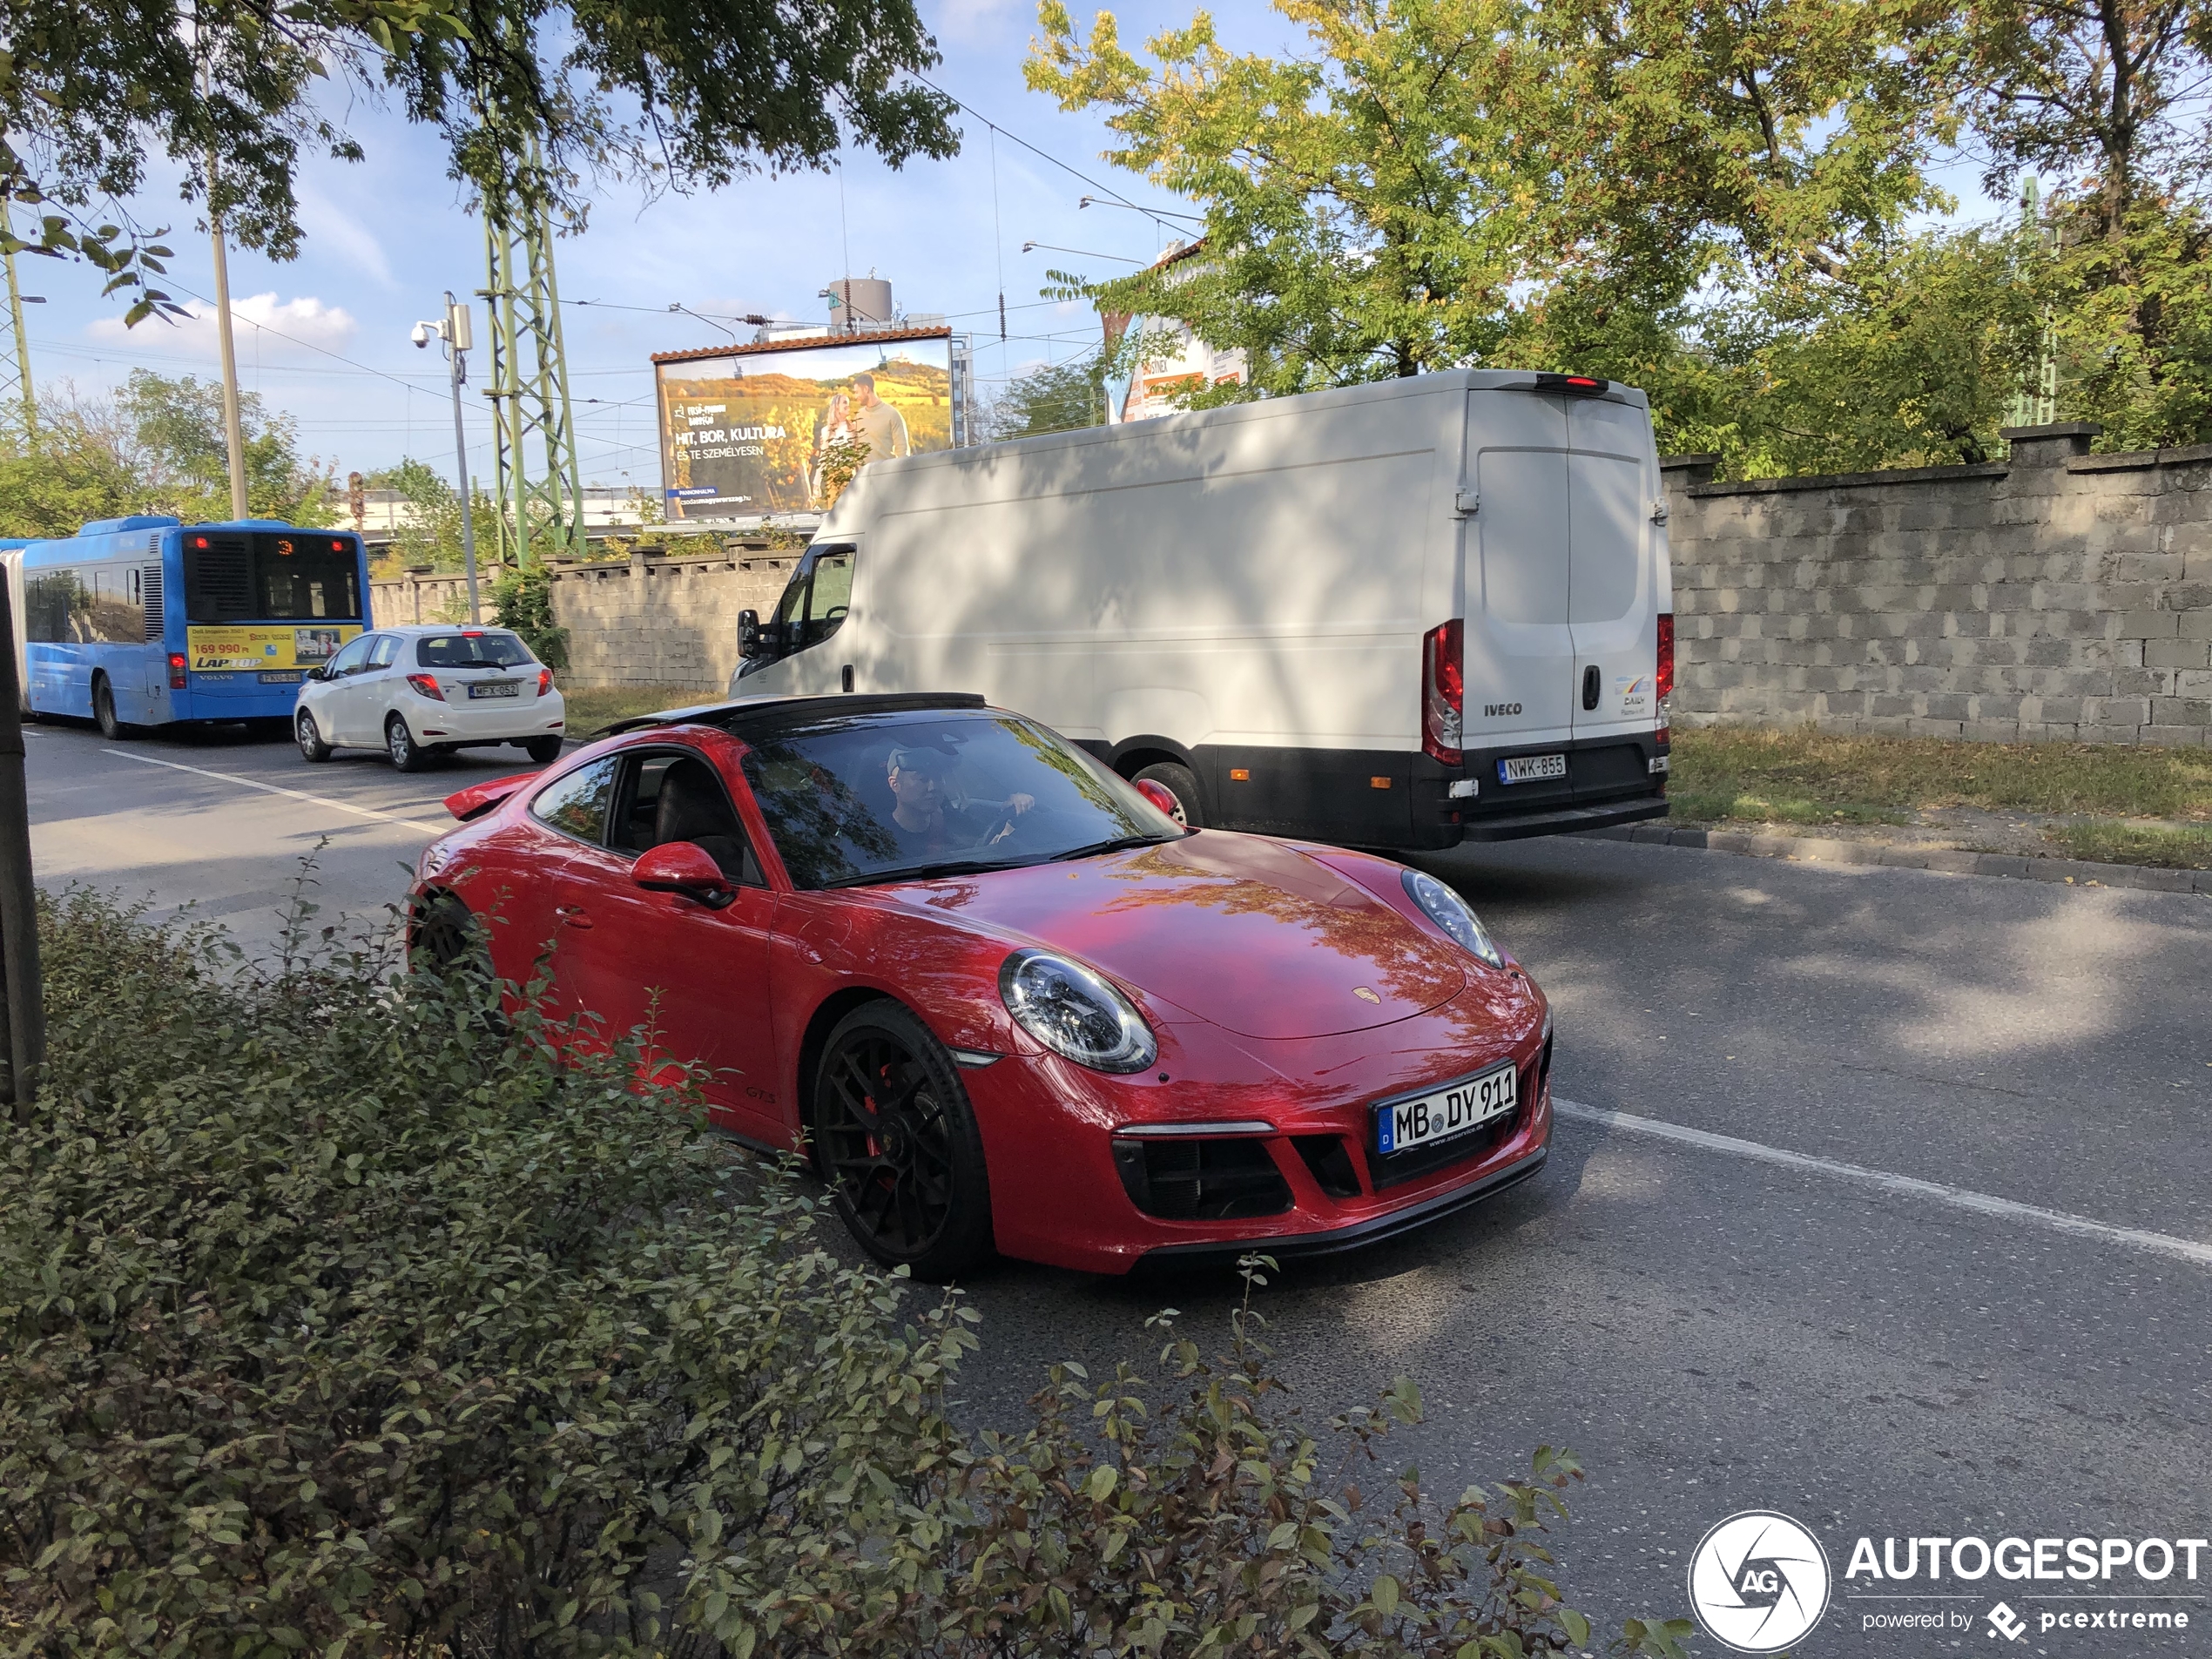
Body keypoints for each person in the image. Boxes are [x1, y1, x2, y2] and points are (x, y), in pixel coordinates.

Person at [882, 745, 1035, 860]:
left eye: (937, 778)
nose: (933, 787)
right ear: (895, 784)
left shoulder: (956, 820)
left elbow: (987, 837)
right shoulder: (878, 839)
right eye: (922, 779)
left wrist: (1014, 803)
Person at [849, 371, 911, 460]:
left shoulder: (892, 414)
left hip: (885, 472)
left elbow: (902, 450)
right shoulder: (859, 415)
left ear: (866, 389)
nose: (855, 396)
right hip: (863, 473)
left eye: (857, 392)